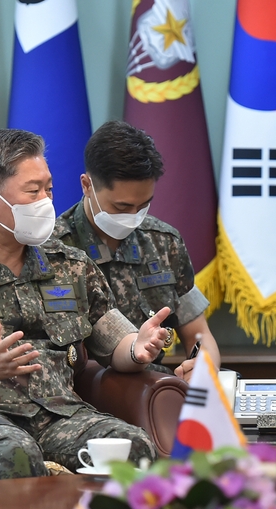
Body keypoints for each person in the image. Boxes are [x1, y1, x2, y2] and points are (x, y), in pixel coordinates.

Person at [0, 128, 172, 481]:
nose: (46, 200)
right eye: (33, 190)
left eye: (49, 189)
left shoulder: (72, 266)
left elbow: (115, 345)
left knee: (130, 445)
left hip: (60, 416)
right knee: (13, 454)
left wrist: (138, 348)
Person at [53, 120, 219, 380]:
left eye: (144, 205)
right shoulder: (53, 250)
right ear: (87, 186)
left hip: (153, 390)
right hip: (81, 397)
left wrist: (203, 366)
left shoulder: (164, 243)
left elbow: (199, 334)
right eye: (121, 207)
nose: (133, 217)